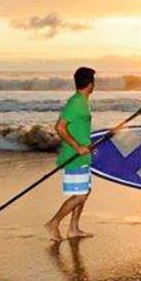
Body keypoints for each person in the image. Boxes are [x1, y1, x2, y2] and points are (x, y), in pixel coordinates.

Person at [44, 66, 96, 241]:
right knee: (80, 195)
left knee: (84, 192)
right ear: (90, 84)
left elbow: (78, 128)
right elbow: (59, 127)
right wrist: (77, 147)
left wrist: (87, 144)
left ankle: (73, 228)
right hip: (75, 157)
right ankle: (53, 222)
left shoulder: (82, 101)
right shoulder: (75, 103)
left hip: (83, 156)